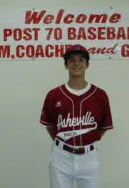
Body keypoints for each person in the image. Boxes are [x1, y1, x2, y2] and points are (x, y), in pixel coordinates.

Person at [39, 44, 114, 188]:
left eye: (81, 60)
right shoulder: (53, 95)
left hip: (89, 157)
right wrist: (64, 140)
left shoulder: (100, 95)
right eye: (72, 60)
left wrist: (87, 138)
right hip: (61, 156)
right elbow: (49, 125)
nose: (76, 63)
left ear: (87, 64)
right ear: (66, 65)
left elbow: (102, 128)